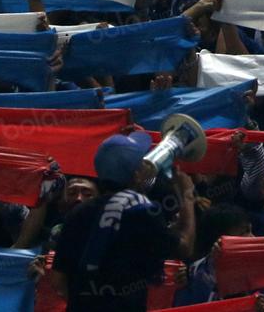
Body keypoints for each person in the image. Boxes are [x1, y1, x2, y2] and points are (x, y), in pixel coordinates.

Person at [51, 132, 195, 312]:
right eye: (142, 162)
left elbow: (58, 278)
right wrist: (187, 196)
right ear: (136, 175)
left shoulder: (78, 213)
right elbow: (185, 247)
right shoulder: (143, 210)